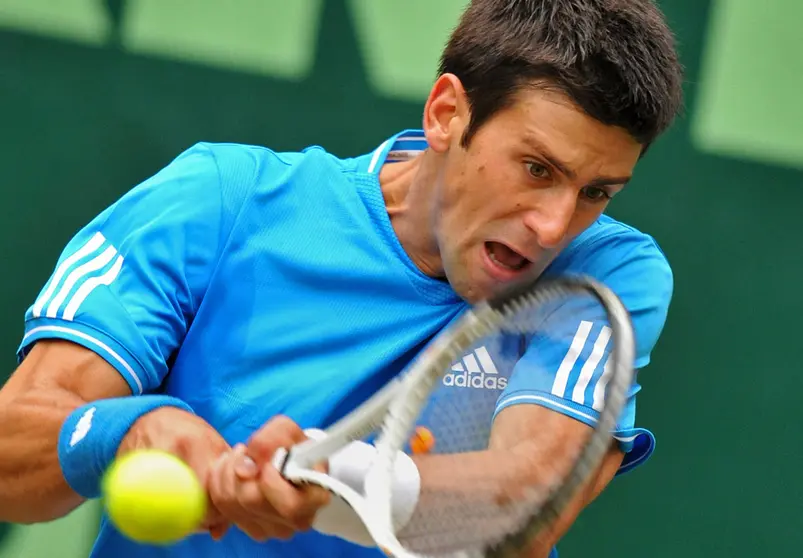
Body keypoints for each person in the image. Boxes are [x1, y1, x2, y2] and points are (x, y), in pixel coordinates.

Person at [0, 0, 683, 557]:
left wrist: (331, 482)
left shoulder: (605, 274)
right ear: (447, 113)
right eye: (536, 168)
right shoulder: (219, 201)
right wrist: (128, 432)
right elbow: (12, 454)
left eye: (597, 192)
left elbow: (526, 501)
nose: (555, 225)